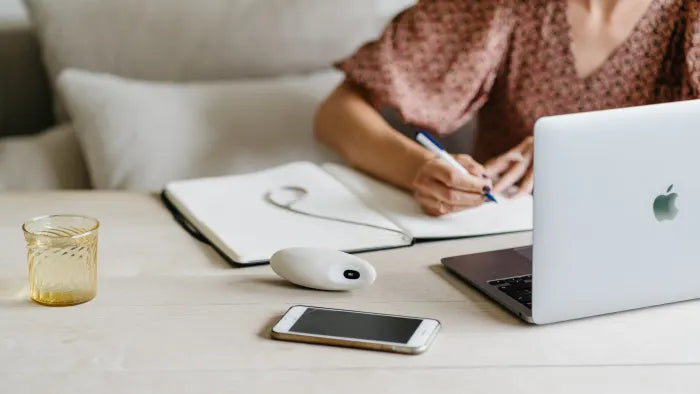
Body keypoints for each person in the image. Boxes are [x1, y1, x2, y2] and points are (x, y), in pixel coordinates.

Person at [314, 0, 699, 216]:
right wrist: (422, 170)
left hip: (659, 229)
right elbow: (337, 116)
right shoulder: (498, 5)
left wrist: (582, 147)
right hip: (508, 236)